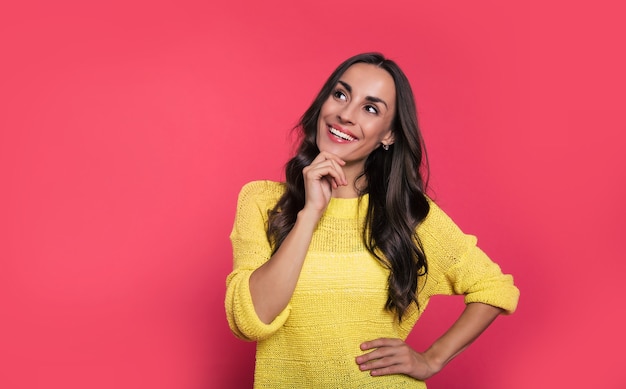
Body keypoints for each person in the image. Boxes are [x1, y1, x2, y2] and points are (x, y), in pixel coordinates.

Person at [225, 52, 519, 388]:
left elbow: (495, 288)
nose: (345, 115)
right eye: (340, 95)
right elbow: (251, 320)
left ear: (388, 135)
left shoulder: (407, 215)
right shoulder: (263, 202)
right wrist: (309, 215)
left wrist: (431, 359)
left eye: (370, 108)